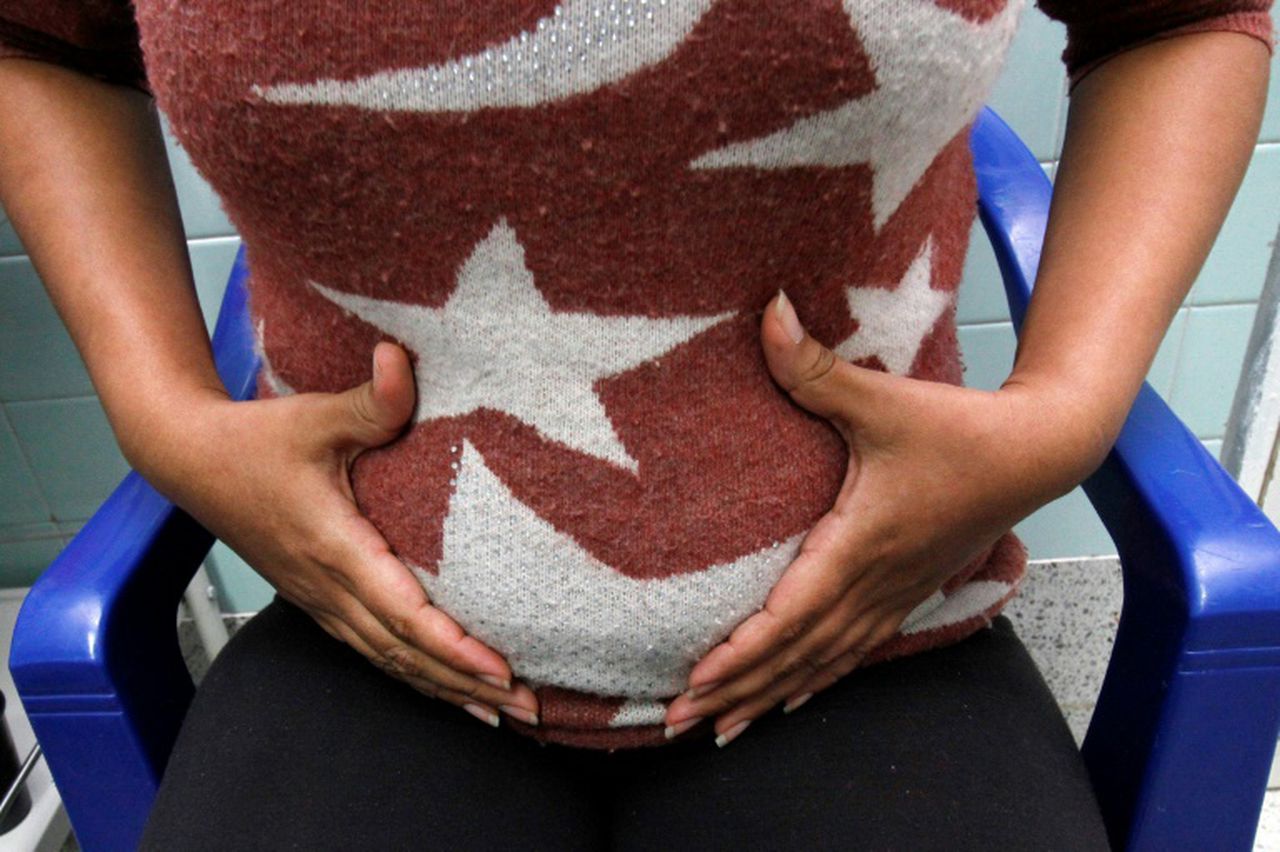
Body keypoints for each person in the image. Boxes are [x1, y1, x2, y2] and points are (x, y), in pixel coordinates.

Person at [0, 0, 1272, 848]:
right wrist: (161, 413)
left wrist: (1061, 414)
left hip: (872, 635)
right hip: (376, 638)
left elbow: (1173, 16)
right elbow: (39, 38)